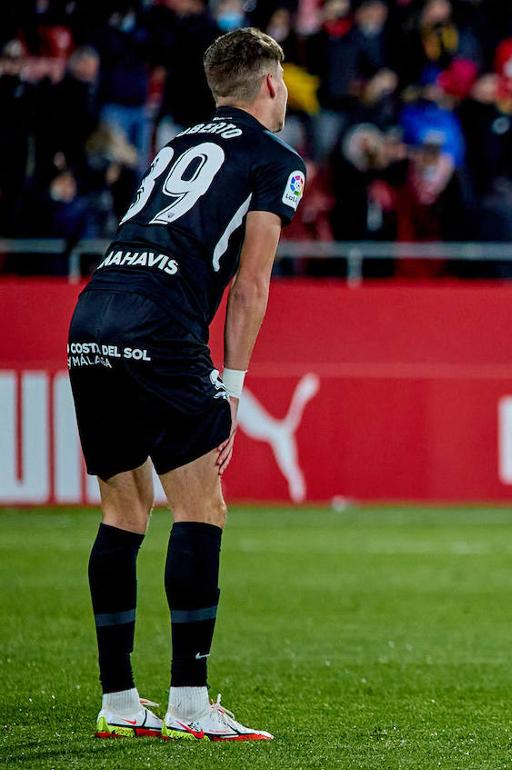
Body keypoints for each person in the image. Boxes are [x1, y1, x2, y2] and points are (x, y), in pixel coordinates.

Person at [68, 27, 305, 742]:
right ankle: (192, 704)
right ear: (270, 84)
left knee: (125, 509)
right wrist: (230, 389)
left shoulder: (173, 144)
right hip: (162, 321)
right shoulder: (276, 158)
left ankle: (118, 704)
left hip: (94, 307)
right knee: (202, 504)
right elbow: (251, 285)